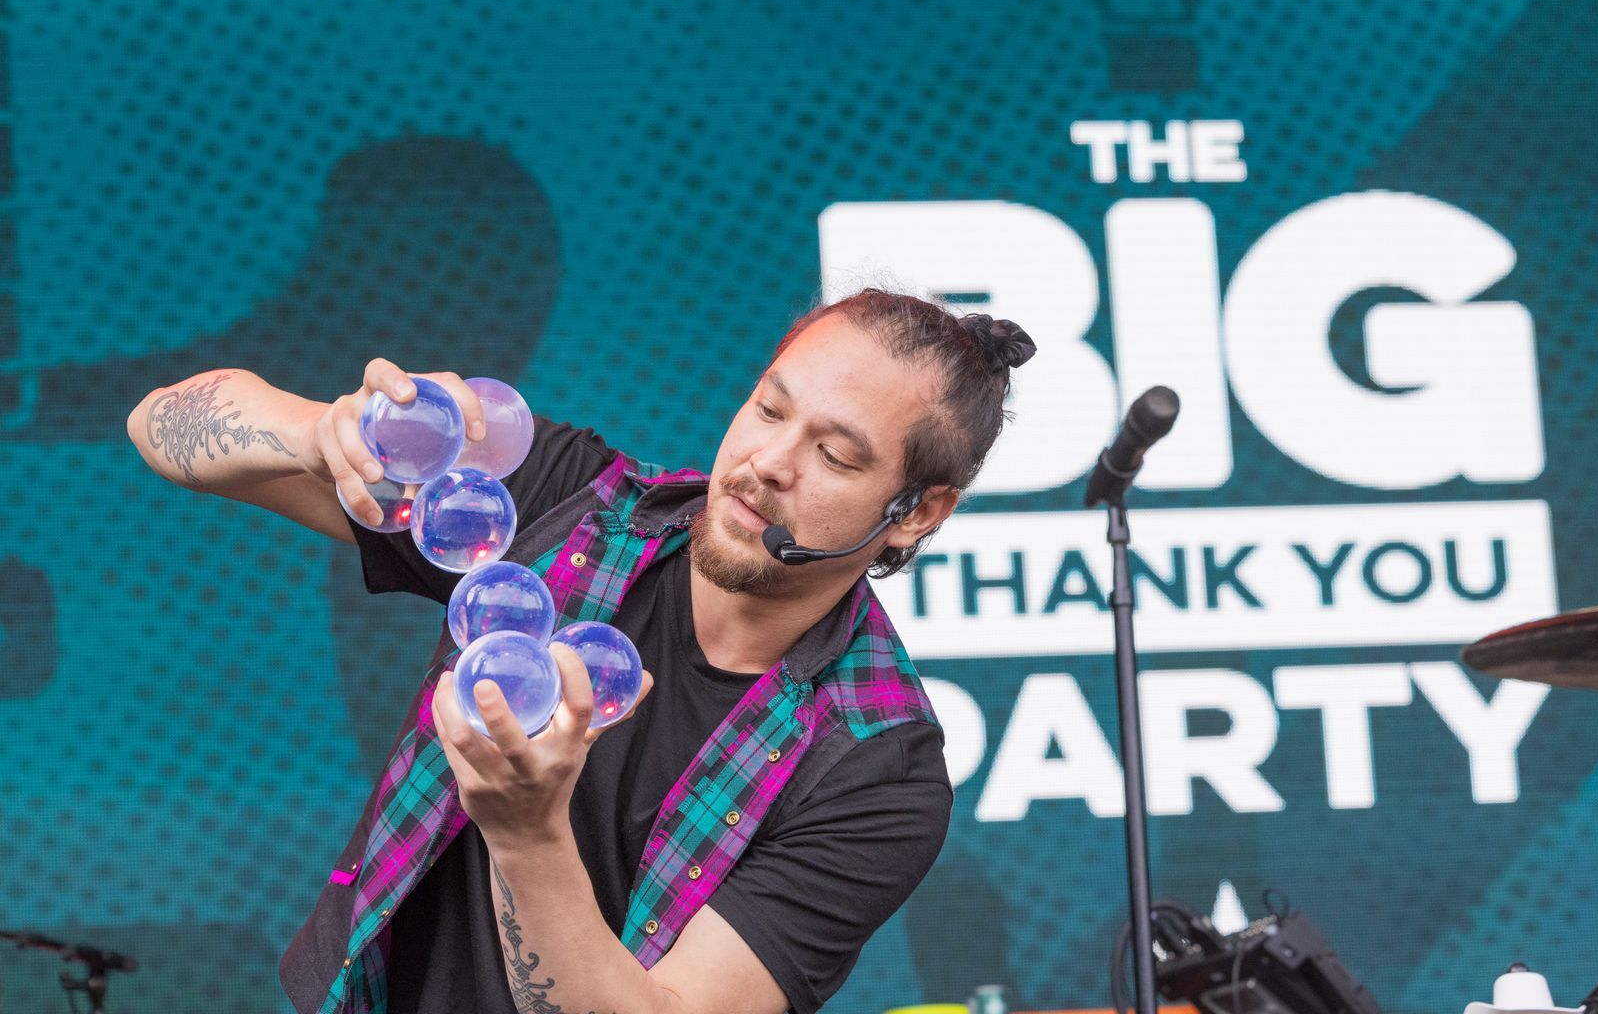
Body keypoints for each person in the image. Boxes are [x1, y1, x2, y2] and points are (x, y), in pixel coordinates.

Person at [126, 289, 1036, 1014]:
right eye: (768, 408)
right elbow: (161, 426)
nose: (767, 461)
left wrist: (527, 830)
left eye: (835, 456)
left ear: (915, 511)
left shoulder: (879, 771)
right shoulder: (565, 504)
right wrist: (322, 434)